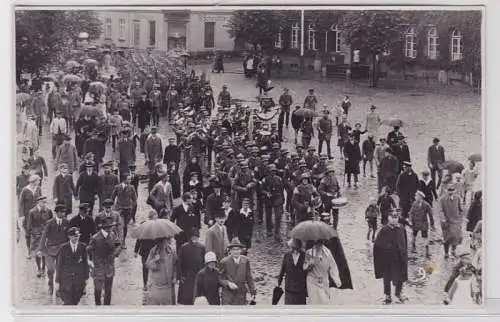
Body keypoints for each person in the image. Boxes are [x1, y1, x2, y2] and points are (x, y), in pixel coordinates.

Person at [373, 208, 409, 304]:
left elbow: (404, 242)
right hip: (388, 259)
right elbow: (377, 245)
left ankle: (398, 293)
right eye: (392, 217)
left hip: (399, 257)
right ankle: (387, 295)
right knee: (387, 277)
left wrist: (404, 253)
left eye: (396, 217)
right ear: (388, 218)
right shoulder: (384, 230)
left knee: (400, 275)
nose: (394, 219)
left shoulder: (401, 228)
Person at [86, 216, 122, 305]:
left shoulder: (113, 235)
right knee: (98, 290)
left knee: (108, 291)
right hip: (99, 268)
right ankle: (98, 307)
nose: (111, 228)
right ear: (104, 228)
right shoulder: (95, 238)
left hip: (109, 268)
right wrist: (89, 262)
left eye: (111, 226)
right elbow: (88, 250)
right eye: (109, 227)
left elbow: (118, 245)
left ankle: (107, 309)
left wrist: (115, 253)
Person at [36, 203, 69, 295]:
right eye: (62, 212)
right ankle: (50, 284)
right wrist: (40, 249)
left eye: (64, 212)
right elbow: (44, 236)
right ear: (57, 213)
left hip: (62, 250)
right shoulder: (50, 223)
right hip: (50, 249)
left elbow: (69, 236)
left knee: (60, 270)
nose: (63, 214)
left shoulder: (67, 222)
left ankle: (59, 288)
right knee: (50, 269)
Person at [55, 227, 89, 305]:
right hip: (66, 281)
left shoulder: (83, 247)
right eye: (75, 236)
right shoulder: (63, 248)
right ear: (69, 236)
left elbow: (85, 264)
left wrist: (86, 278)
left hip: (79, 281)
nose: (77, 238)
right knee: (67, 302)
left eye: (78, 236)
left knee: (75, 301)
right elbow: (59, 266)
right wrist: (57, 281)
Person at [219, 238, 256, 305]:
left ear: (241, 250)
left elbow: (249, 277)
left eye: (238, 249)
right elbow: (220, 278)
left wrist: (252, 292)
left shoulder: (246, 260)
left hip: (241, 294)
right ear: (230, 251)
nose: (236, 252)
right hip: (228, 295)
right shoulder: (224, 261)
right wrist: (228, 283)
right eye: (233, 249)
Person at [303, 240, 340, 304]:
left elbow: (333, 266)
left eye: (322, 241)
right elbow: (304, 268)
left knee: (325, 301)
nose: (320, 243)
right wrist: (310, 264)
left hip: (324, 280)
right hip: (312, 280)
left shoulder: (327, 252)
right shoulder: (309, 252)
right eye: (318, 241)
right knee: (314, 302)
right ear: (315, 242)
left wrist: (336, 279)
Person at [177, 228, 206, 305]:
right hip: (187, 276)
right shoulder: (184, 247)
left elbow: (204, 262)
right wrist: (180, 276)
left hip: (198, 275)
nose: (194, 239)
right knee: (187, 298)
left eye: (196, 237)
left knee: (197, 296)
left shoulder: (202, 248)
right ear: (190, 237)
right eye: (193, 237)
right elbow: (179, 263)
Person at [145, 237, 177, 305]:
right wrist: (155, 260)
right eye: (161, 241)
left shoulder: (171, 250)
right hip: (156, 286)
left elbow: (175, 265)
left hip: (168, 286)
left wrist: (175, 276)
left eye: (165, 240)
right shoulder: (153, 251)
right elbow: (147, 265)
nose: (164, 243)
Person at [26, 196, 53, 277]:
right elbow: (29, 225)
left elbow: (51, 223)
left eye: (45, 202)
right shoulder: (32, 212)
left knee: (45, 252)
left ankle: (44, 269)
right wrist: (33, 233)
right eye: (43, 202)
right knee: (37, 252)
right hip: (36, 235)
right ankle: (39, 268)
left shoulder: (48, 211)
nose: (45, 204)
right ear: (38, 202)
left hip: (45, 235)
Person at [134, 210, 159, 291]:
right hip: (145, 250)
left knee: (154, 267)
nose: (156, 219)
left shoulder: (157, 226)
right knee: (145, 268)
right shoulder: (143, 224)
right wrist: (136, 250)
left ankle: (152, 283)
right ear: (151, 217)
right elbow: (139, 238)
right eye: (155, 217)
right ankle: (145, 284)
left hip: (154, 250)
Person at [277, 239, 307, 305]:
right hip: (289, 286)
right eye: (293, 247)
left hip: (300, 287)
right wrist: (279, 281)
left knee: (300, 308)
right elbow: (282, 270)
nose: (294, 249)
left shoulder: (304, 255)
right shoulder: (287, 255)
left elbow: (306, 272)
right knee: (289, 306)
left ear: (300, 246)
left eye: (296, 247)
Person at [18, 174, 42, 256]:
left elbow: (41, 200)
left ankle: (37, 250)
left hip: (37, 214)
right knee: (28, 233)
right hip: (27, 215)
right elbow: (21, 203)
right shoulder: (25, 190)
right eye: (38, 180)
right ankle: (29, 251)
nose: (39, 182)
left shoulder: (38, 188)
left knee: (38, 231)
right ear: (34, 181)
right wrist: (22, 215)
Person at [111, 174, 137, 247]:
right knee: (121, 225)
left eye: (130, 179)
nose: (130, 181)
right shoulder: (117, 187)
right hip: (119, 209)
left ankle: (123, 241)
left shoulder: (132, 187)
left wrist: (132, 207)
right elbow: (112, 198)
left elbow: (135, 199)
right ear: (124, 180)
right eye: (128, 179)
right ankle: (118, 240)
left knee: (125, 226)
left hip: (128, 210)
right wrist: (112, 208)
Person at [438, 186, 464, 259]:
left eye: (452, 190)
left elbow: (461, 209)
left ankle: (453, 250)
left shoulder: (458, 198)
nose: (451, 192)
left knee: (456, 237)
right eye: (449, 190)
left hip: (456, 222)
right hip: (447, 222)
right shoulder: (442, 199)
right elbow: (440, 210)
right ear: (446, 190)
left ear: (454, 191)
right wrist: (443, 219)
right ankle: (446, 253)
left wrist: (460, 218)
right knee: (446, 238)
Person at [261, 164, 285, 241]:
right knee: (268, 215)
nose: (273, 172)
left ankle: (277, 232)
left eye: (274, 171)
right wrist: (266, 193)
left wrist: (282, 200)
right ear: (269, 172)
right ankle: (269, 230)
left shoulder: (279, 179)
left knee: (278, 215)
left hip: (277, 198)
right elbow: (261, 189)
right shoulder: (265, 179)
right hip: (269, 198)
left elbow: (281, 190)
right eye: (271, 171)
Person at [409, 191, 435, 258]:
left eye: (416, 196)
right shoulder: (414, 204)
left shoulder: (426, 205)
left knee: (425, 237)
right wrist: (410, 221)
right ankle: (413, 247)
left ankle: (427, 252)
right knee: (414, 235)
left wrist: (432, 224)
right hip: (415, 223)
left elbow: (430, 215)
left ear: (420, 197)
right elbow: (411, 213)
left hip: (423, 223)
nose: (415, 197)